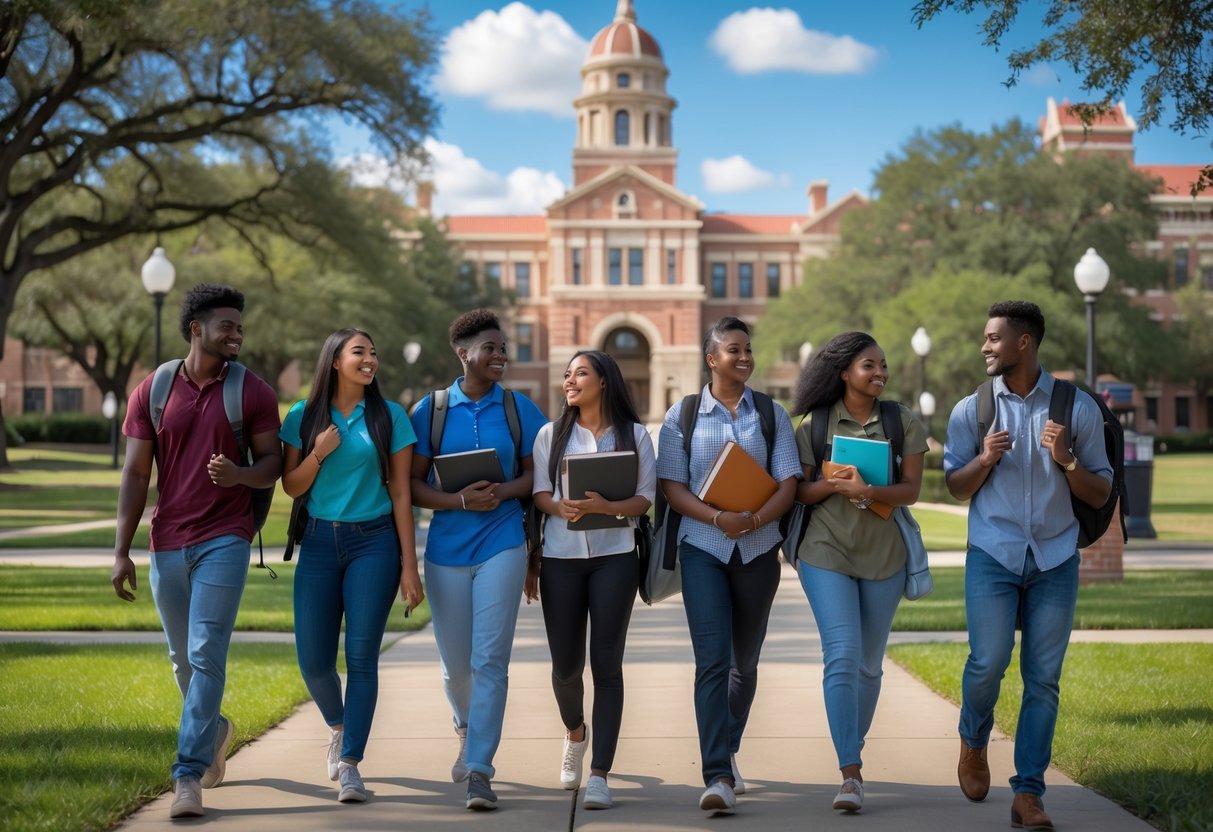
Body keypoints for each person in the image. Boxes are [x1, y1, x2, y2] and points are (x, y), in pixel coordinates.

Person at [111, 284, 281, 820]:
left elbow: (272, 464)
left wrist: (239, 475)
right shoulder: (154, 389)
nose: (236, 334)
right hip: (167, 541)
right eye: (226, 325)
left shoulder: (251, 391)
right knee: (182, 660)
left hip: (225, 538)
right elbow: (137, 473)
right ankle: (217, 730)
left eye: (239, 325)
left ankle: (188, 775)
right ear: (195, 328)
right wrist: (121, 551)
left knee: (206, 654)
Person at [944, 301, 1112, 831]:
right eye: (985, 338)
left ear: (1024, 342)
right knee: (987, 661)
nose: (985, 347)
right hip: (992, 552)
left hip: (1056, 557)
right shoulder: (971, 409)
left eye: (994, 338)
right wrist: (985, 459)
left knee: (1043, 679)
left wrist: (1067, 461)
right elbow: (954, 485)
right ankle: (973, 739)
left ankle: (1029, 794)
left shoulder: (1075, 407)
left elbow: (1102, 487)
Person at [656, 316, 800, 814]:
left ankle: (729, 743)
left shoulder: (771, 413)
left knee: (746, 664)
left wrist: (755, 518)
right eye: (733, 350)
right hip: (703, 549)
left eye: (748, 350)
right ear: (711, 358)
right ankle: (716, 772)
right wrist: (719, 517)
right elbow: (673, 487)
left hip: (759, 552)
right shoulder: (683, 415)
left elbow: (788, 482)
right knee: (712, 662)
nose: (744, 357)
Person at [409, 308, 546, 811]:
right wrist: (459, 500)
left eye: (503, 348)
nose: (500, 355)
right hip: (445, 550)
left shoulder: (518, 409)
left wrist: (502, 493)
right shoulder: (432, 410)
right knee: (455, 666)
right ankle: (465, 728)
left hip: (503, 542)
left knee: (491, 660)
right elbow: (414, 484)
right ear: (462, 353)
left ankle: (481, 769)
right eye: (490, 348)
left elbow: (538, 475)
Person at [279, 328, 423, 803]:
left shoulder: (390, 416)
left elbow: (402, 494)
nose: (370, 360)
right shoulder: (303, 416)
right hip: (319, 544)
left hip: (375, 545)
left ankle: (350, 765)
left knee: (361, 657)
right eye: (359, 352)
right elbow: (292, 488)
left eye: (374, 353)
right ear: (335, 360)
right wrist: (319, 452)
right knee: (315, 660)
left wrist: (409, 566)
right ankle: (339, 726)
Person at [790, 331, 928, 813]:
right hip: (825, 552)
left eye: (883, 365)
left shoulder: (901, 420)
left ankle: (853, 743)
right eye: (870, 365)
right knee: (843, 655)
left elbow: (911, 491)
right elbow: (799, 494)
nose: (880, 373)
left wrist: (866, 490)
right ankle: (850, 772)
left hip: (884, 556)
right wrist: (832, 482)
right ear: (844, 372)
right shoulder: (814, 425)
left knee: (870, 666)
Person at [526, 351, 657, 811]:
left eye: (580, 373)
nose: (569, 381)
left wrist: (604, 506)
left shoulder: (635, 435)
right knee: (565, 667)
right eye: (566, 374)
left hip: (615, 559)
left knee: (607, 666)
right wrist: (556, 507)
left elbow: (644, 500)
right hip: (561, 559)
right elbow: (540, 492)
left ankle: (600, 772)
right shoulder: (550, 434)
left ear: (604, 381)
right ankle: (576, 733)